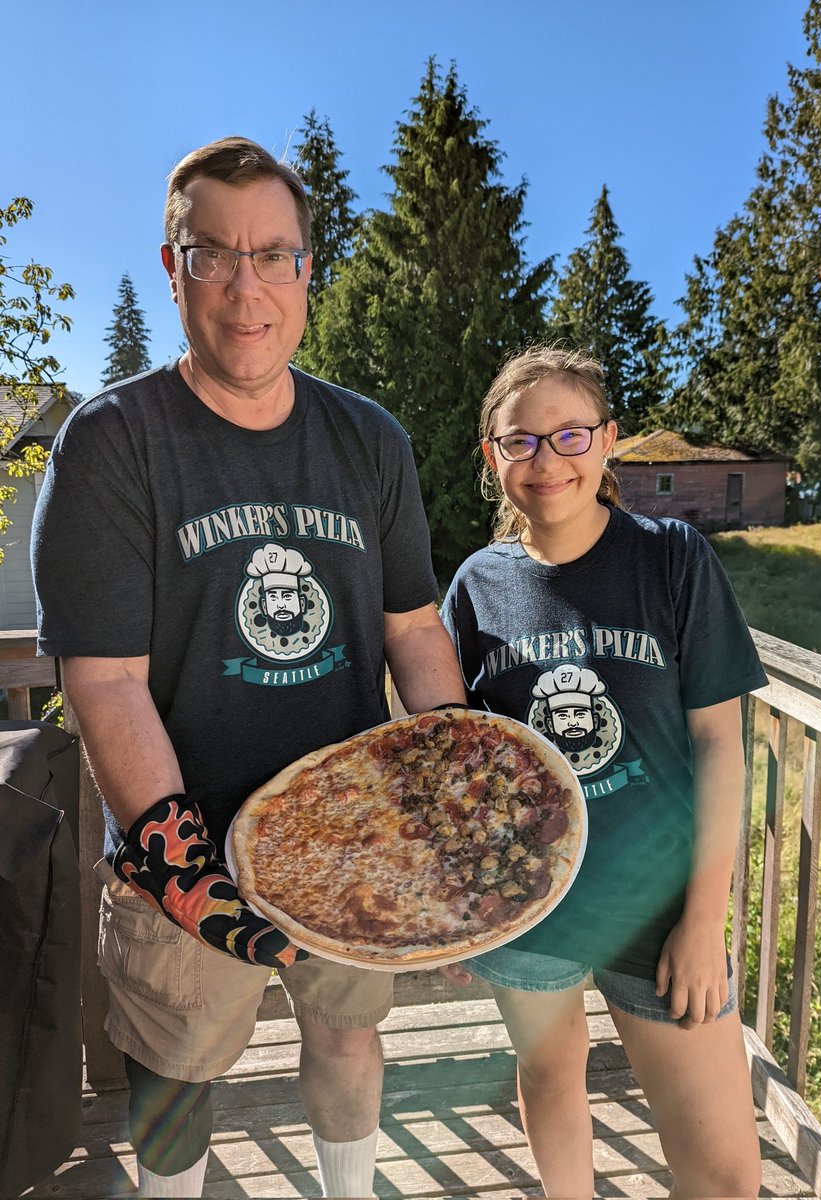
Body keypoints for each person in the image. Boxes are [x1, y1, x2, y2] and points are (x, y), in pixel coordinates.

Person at [31, 136, 465, 1200]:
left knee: (351, 1044)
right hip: (185, 847)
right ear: (173, 268)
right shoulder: (112, 441)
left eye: (274, 255)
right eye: (213, 254)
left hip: (349, 841)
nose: (246, 288)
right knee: (175, 1076)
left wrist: (453, 781)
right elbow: (105, 681)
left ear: (308, 271)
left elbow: (414, 630)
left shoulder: (370, 441)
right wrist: (184, 867)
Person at [440, 345, 767, 1199]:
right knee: (550, 1078)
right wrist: (464, 907)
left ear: (609, 442)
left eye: (571, 435)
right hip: (532, 905)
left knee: (725, 1173)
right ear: (493, 457)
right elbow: (455, 761)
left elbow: (720, 748)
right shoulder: (478, 587)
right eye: (521, 441)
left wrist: (704, 922)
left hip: (658, 907)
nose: (548, 460)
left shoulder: (671, 558)